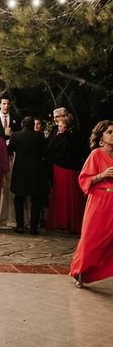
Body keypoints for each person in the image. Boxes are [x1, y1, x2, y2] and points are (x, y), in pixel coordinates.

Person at [70, 120, 113, 288]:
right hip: (99, 200)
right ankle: (78, 271)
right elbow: (83, 179)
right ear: (101, 137)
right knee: (91, 238)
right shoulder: (96, 154)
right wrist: (101, 175)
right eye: (109, 132)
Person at [47, 114, 87, 234]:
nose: (58, 126)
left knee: (61, 197)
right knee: (72, 197)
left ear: (64, 125)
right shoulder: (76, 136)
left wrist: (57, 136)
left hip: (60, 169)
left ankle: (61, 223)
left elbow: (49, 150)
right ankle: (72, 223)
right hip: (73, 170)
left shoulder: (60, 137)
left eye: (60, 124)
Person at [8, 117, 48, 235]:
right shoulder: (40, 136)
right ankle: (33, 228)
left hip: (20, 171)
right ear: (32, 125)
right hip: (36, 171)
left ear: (22, 124)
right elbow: (45, 152)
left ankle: (20, 226)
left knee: (19, 199)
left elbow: (8, 151)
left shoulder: (15, 136)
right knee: (36, 200)